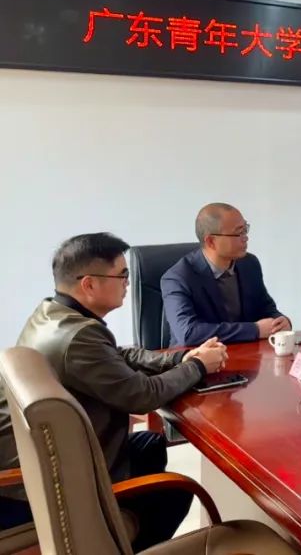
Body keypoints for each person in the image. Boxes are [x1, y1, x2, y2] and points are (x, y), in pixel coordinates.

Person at [0, 233, 228, 549]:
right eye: (122, 275)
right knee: (174, 493)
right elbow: (143, 396)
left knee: (149, 445)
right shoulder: (79, 338)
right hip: (43, 484)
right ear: (89, 284)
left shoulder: (52, 314)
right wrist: (199, 366)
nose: (128, 283)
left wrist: (179, 359)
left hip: (45, 456)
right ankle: (115, 540)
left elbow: (117, 354)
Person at [162, 203, 291, 346]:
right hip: (197, 357)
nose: (245, 238)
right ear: (211, 241)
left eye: (245, 230)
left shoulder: (249, 264)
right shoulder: (178, 278)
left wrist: (281, 321)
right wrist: (255, 330)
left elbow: (265, 307)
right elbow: (188, 333)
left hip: (245, 353)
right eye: (238, 233)